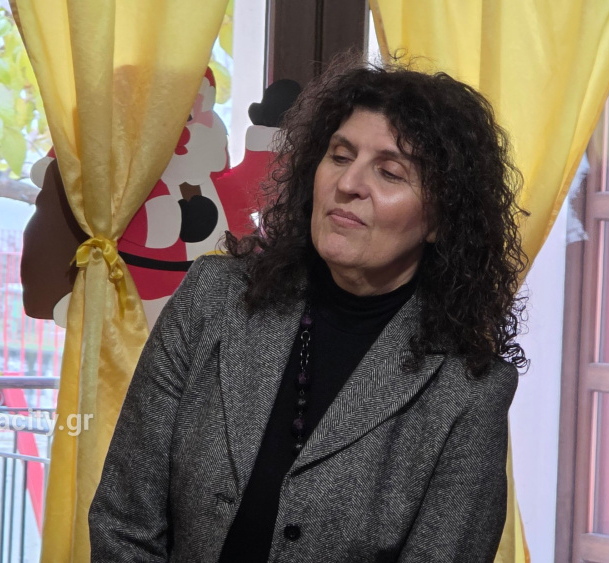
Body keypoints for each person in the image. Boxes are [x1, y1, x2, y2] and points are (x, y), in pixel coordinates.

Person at [89, 57, 528, 563]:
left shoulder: (469, 389)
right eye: (339, 156)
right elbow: (123, 521)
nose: (348, 183)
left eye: (390, 172)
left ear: (440, 220)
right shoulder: (214, 297)